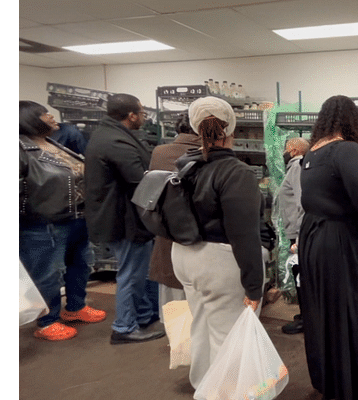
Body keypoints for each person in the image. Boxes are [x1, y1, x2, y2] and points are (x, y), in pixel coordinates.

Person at [171, 96, 268, 388]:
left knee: (200, 328)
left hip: (185, 256)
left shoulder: (186, 166)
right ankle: (228, 393)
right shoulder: (235, 172)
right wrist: (254, 286)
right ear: (231, 132)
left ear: (195, 129)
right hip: (220, 261)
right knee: (230, 337)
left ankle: (203, 385)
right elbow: (245, 234)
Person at [297, 95, 358, 400]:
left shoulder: (311, 154)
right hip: (342, 244)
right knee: (354, 315)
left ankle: (330, 380)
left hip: (314, 239)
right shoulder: (346, 150)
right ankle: (355, 386)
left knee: (323, 315)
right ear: (353, 122)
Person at [19, 101, 107, 341]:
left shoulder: (50, 143)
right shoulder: (19, 149)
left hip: (76, 218)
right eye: (46, 114)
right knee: (49, 273)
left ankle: (76, 307)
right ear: (29, 119)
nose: (52, 117)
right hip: (42, 223)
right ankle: (48, 321)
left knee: (81, 264)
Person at [84, 93, 164, 345]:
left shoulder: (110, 135)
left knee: (141, 272)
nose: (144, 117)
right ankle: (124, 327)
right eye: (141, 113)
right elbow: (139, 178)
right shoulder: (115, 141)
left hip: (126, 216)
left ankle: (143, 316)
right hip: (124, 219)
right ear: (131, 115)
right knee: (131, 274)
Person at [146, 114, 201, 321]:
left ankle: (178, 348)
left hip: (166, 232)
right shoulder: (208, 154)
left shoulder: (160, 152)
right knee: (199, 305)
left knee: (175, 304)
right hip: (201, 237)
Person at [278, 137, 310, 335]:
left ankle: (307, 320)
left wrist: (298, 239)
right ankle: (305, 314)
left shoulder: (297, 166)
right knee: (300, 275)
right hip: (296, 232)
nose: (284, 152)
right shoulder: (295, 167)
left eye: (286, 148)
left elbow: (302, 203)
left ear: (294, 149)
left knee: (301, 277)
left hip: (299, 234)